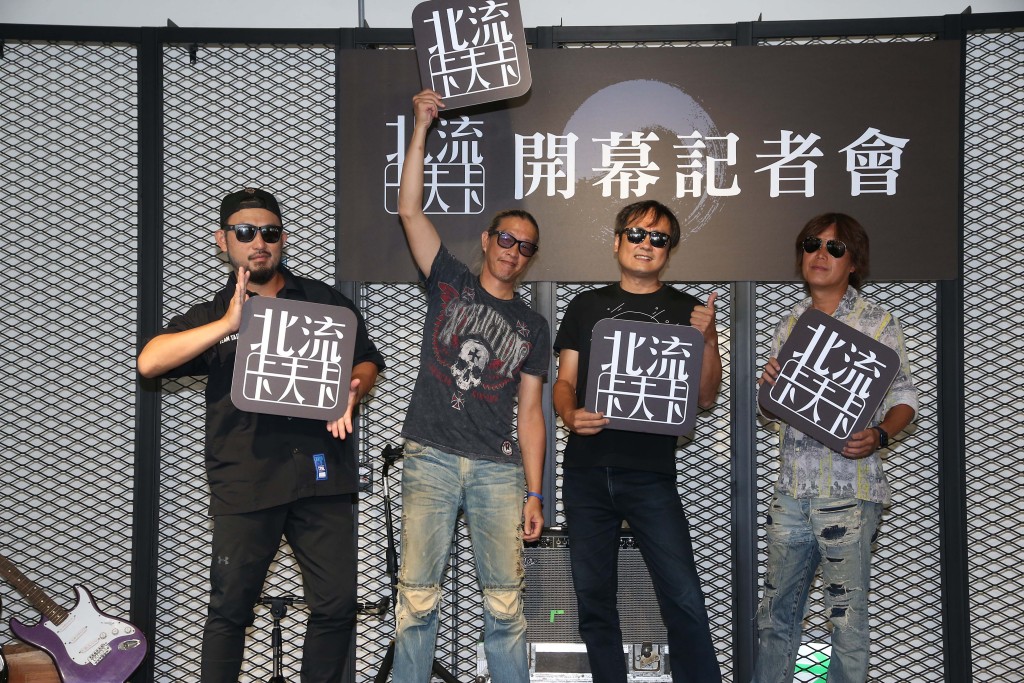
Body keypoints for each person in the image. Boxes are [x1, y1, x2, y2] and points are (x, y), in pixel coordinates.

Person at [137, 187, 385, 683]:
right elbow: (150, 362)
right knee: (230, 609)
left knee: (336, 605)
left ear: (283, 240)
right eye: (246, 232)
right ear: (223, 240)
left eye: (269, 233)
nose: (259, 242)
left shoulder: (322, 302)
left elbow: (366, 360)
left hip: (321, 474)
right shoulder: (212, 313)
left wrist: (352, 390)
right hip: (246, 479)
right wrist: (228, 323)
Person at [393, 89, 549, 683]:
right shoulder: (450, 282)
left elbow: (531, 414)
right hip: (430, 456)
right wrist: (420, 128)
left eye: (525, 247)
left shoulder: (533, 325)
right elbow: (410, 210)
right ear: (487, 240)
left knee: (505, 606)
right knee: (417, 601)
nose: (513, 251)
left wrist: (535, 492)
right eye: (506, 239)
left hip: (497, 470)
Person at [552, 199, 723, 683]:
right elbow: (565, 381)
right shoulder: (586, 306)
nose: (646, 244)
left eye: (658, 238)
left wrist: (709, 340)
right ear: (617, 242)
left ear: (669, 250)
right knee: (593, 599)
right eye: (636, 234)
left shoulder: (689, 310)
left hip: (650, 474)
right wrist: (569, 413)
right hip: (586, 471)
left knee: (683, 596)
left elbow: (705, 396)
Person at [752, 213, 918, 683]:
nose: (820, 254)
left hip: (849, 490)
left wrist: (881, 434)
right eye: (812, 244)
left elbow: (906, 397)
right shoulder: (791, 323)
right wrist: (768, 390)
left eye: (835, 247)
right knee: (775, 616)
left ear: (853, 262)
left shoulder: (877, 322)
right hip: (791, 491)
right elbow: (771, 413)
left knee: (846, 621)